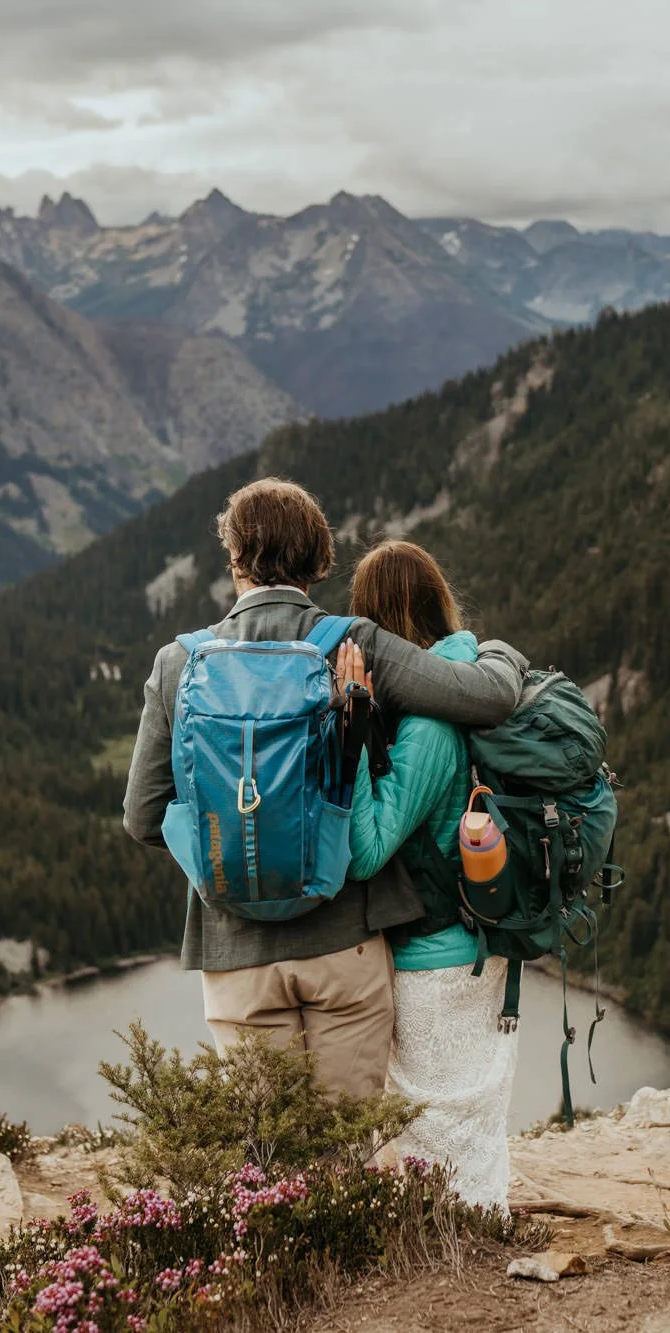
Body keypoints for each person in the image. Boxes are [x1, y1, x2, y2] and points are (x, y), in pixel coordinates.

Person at [123, 479, 528, 1102]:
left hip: (233, 952)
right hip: (344, 943)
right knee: (345, 1143)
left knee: (267, 1151)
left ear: (233, 559)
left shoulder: (179, 664)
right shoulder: (350, 645)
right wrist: (498, 652)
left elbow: (144, 817)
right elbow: (485, 697)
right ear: (319, 561)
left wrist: (227, 847)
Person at [337, 540, 517, 1209]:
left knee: (437, 1127)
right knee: (467, 1120)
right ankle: (478, 1232)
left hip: (437, 962)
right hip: (470, 947)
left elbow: (368, 849)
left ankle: (459, 1254)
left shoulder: (429, 725)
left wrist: (352, 731)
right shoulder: (464, 685)